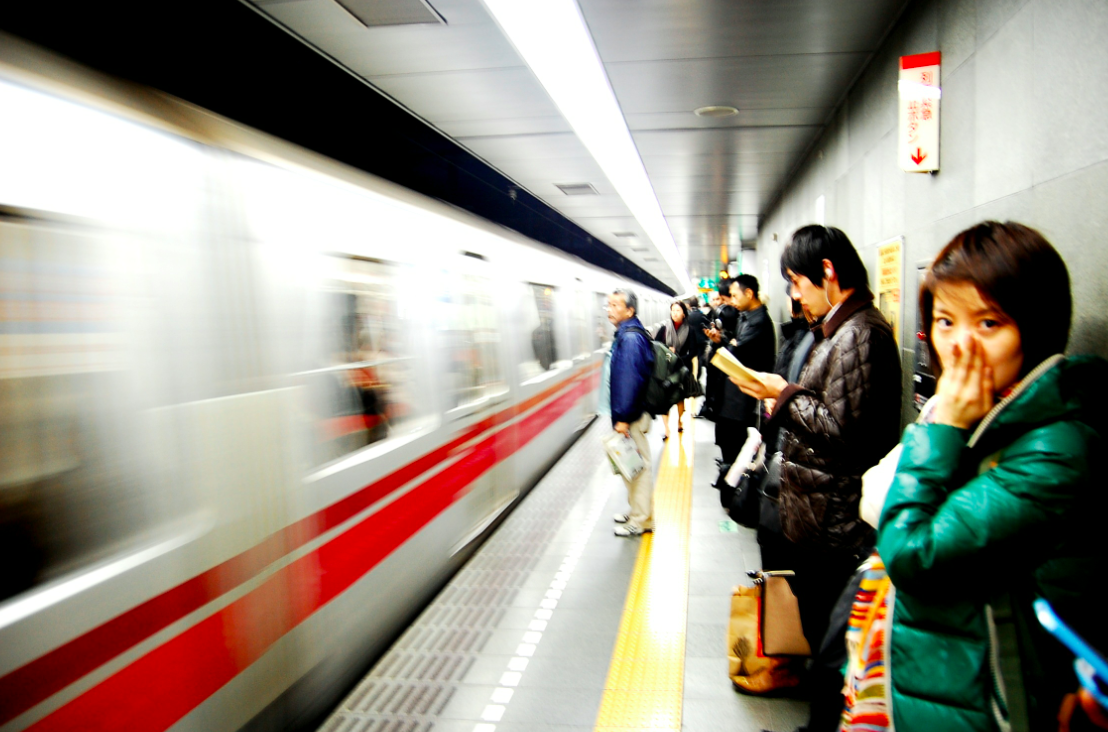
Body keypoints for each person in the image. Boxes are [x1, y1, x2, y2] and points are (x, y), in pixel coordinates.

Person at [871, 222, 1108, 731]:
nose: (960, 347)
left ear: (1036, 328)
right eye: (945, 322)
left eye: (988, 324)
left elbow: (913, 553)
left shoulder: (1056, 449)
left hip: (996, 702)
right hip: (949, 684)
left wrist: (944, 428)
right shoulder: (983, 418)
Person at [732, 225, 901, 655]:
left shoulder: (860, 333)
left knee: (831, 644)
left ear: (827, 271)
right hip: (819, 516)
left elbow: (843, 429)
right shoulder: (839, 330)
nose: (794, 294)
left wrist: (782, 393)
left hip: (836, 525)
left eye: (798, 282)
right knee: (819, 630)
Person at [607, 288, 656, 538]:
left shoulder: (630, 339)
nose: (610, 310)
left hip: (631, 415)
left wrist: (623, 418)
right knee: (630, 466)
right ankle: (637, 509)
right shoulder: (627, 334)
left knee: (638, 467)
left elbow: (629, 380)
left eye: (616, 305)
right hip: (630, 413)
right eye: (608, 305)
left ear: (630, 310)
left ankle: (641, 520)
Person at [714, 275, 775, 466]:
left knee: (736, 452)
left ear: (749, 293)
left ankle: (733, 490)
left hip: (742, 402)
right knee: (729, 447)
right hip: (734, 397)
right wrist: (728, 342)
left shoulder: (759, 322)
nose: (732, 301)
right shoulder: (746, 318)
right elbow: (734, 346)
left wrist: (731, 344)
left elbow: (735, 351)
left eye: (734, 296)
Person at [655, 300, 696, 440]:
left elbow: (693, 352)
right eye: (673, 310)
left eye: (678, 310)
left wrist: (678, 356)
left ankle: (679, 421)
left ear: (684, 313)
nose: (675, 313)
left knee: (679, 397)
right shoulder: (664, 329)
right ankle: (666, 429)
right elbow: (656, 346)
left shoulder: (690, 330)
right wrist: (667, 352)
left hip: (681, 368)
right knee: (664, 398)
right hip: (666, 369)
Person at [702, 279, 736, 421]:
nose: (718, 303)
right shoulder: (715, 315)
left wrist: (721, 340)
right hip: (718, 365)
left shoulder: (734, 317)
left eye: (721, 299)